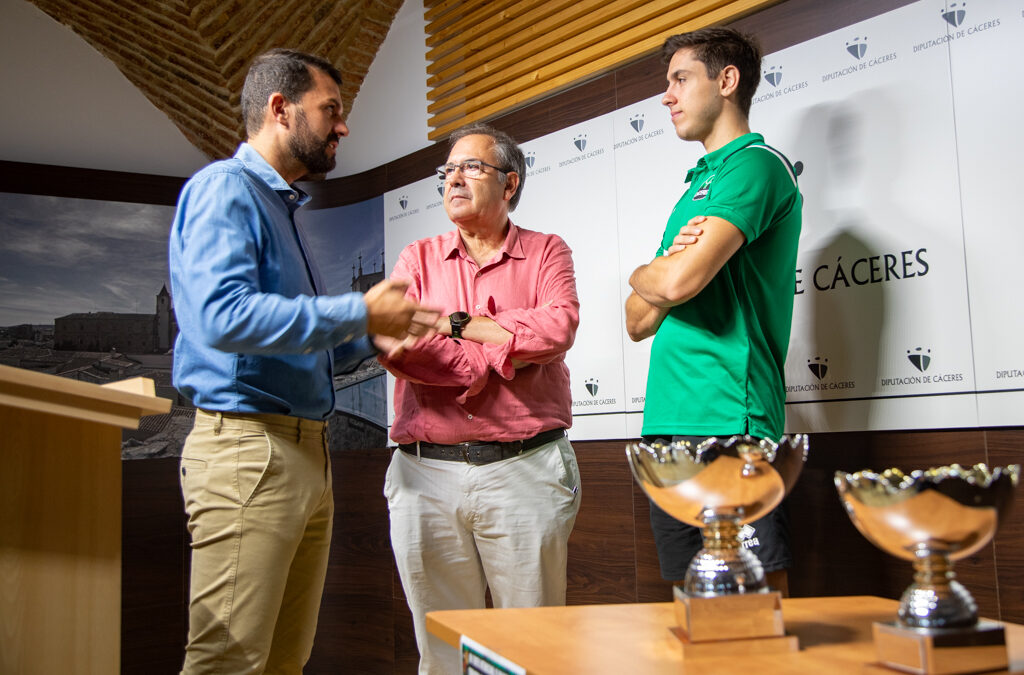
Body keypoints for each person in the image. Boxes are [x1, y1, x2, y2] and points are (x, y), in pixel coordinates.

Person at [169, 48, 434, 674]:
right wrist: (358, 312)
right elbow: (222, 319)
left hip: (302, 455)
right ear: (280, 109)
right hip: (249, 451)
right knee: (228, 662)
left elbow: (294, 348)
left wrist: (376, 337)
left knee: (286, 660)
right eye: (330, 109)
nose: (343, 126)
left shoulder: (280, 208)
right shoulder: (224, 189)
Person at [375, 123, 582, 675]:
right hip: (424, 476)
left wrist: (453, 324)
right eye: (447, 170)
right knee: (443, 652)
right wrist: (497, 353)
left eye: (471, 167)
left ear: (509, 184)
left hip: (524, 469)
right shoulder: (416, 259)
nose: (453, 179)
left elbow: (556, 329)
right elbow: (396, 345)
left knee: (531, 651)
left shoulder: (547, 251)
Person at [625, 28, 803, 593]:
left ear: (726, 81)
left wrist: (643, 272)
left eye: (680, 79)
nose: (667, 96)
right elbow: (636, 321)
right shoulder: (694, 189)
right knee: (690, 596)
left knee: (755, 596)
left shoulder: (756, 166)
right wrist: (657, 273)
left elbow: (677, 282)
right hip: (668, 421)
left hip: (731, 419)